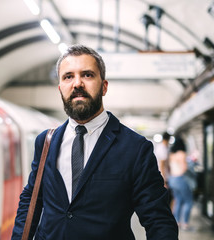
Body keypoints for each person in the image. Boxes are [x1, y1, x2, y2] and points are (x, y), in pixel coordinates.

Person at [11, 44, 178, 239]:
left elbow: (158, 219)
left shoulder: (135, 148)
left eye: (87, 75)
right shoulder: (46, 142)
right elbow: (31, 200)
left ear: (104, 86)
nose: (77, 83)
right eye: (68, 76)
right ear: (60, 88)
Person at [168, 136, 193, 231]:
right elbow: (184, 168)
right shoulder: (182, 153)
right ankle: (185, 223)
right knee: (188, 201)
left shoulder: (172, 154)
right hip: (180, 179)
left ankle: (177, 222)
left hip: (172, 179)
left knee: (178, 200)